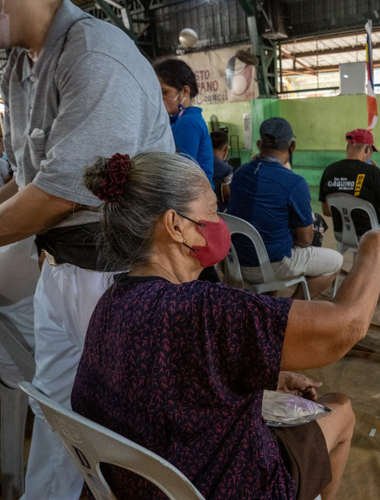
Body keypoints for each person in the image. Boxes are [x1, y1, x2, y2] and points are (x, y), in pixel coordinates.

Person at [70, 151, 380, 500]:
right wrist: (374, 244)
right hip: (232, 485)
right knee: (340, 408)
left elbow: (171, 382)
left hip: (148, 484)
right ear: (176, 225)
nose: (220, 222)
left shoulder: (110, 304)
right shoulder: (207, 311)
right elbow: (345, 326)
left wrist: (268, 373)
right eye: (210, 212)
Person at [0, 1, 175, 498]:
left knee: (137, 424)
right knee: (57, 411)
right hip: (62, 263)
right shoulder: (22, 64)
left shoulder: (95, 54)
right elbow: (29, 178)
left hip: (120, 275)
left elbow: (62, 192)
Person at [227, 117, 343, 299]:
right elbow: (305, 241)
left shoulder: (240, 173)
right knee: (336, 261)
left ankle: (270, 308)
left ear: (259, 144)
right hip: (272, 265)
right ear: (292, 146)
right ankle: (290, 311)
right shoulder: (294, 183)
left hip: (235, 262)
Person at [319, 128, 380, 236]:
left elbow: (326, 211)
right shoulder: (372, 172)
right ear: (367, 149)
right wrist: (378, 176)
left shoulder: (329, 170)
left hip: (342, 234)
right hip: (369, 236)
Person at [155, 58, 214, 189]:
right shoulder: (179, 120)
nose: (159, 97)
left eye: (165, 92)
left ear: (185, 92)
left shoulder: (187, 122)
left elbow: (181, 173)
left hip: (192, 199)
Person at [210, 128, 234, 211]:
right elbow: (226, 196)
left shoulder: (201, 163)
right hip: (219, 210)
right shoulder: (226, 169)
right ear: (225, 149)